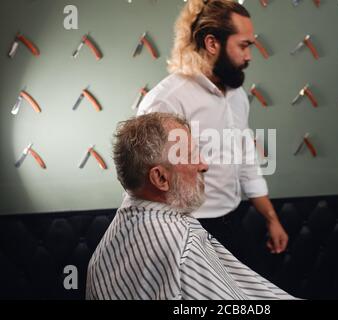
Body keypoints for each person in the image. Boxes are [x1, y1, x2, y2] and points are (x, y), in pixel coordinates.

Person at [137, 0, 288, 267]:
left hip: (232, 223)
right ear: (212, 43)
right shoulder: (166, 102)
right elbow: (144, 187)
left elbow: (246, 162)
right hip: (184, 233)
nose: (249, 56)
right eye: (243, 45)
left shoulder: (237, 96)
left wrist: (272, 220)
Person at [85, 113, 295, 300]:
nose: (204, 164)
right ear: (160, 177)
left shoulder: (116, 232)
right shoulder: (183, 246)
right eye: (191, 155)